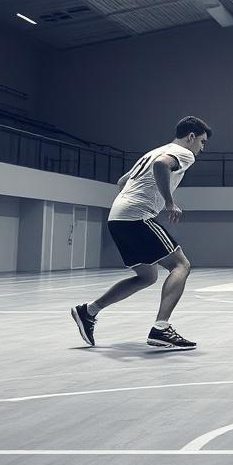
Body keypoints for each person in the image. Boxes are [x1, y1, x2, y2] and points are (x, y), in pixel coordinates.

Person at [70, 116, 211, 350]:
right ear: (191, 137)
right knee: (181, 266)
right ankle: (161, 329)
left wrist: (134, 200)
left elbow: (122, 181)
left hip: (117, 218)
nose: (202, 148)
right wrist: (168, 202)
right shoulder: (183, 153)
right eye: (203, 142)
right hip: (136, 218)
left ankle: (88, 311)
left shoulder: (153, 151)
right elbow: (161, 166)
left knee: (147, 277)